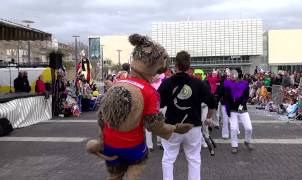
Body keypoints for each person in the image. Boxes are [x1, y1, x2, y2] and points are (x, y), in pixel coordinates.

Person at [86, 34, 193, 180]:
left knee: (114, 175)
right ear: (156, 65)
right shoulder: (149, 92)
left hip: (109, 145)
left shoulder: (117, 84)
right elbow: (154, 126)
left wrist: (101, 140)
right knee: (136, 168)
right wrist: (174, 128)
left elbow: (102, 117)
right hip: (132, 147)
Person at [158, 51, 216, 180]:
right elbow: (212, 102)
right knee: (194, 159)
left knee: (168, 159)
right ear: (189, 65)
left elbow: (157, 103)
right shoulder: (198, 83)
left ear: (175, 64)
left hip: (172, 126)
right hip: (193, 127)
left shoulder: (167, 83)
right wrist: (208, 118)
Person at [223, 68, 254, 154]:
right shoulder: (228, 84)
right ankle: (234, 146)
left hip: (242, 110)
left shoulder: (244, 83)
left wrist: (241, 106)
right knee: (233, 128)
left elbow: (246, 96)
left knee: (249, 128)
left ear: (239, 74)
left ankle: (247, 141)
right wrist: (227, 109)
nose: (232, 75)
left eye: (234, 73)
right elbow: (226, 98)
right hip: (232, 110)